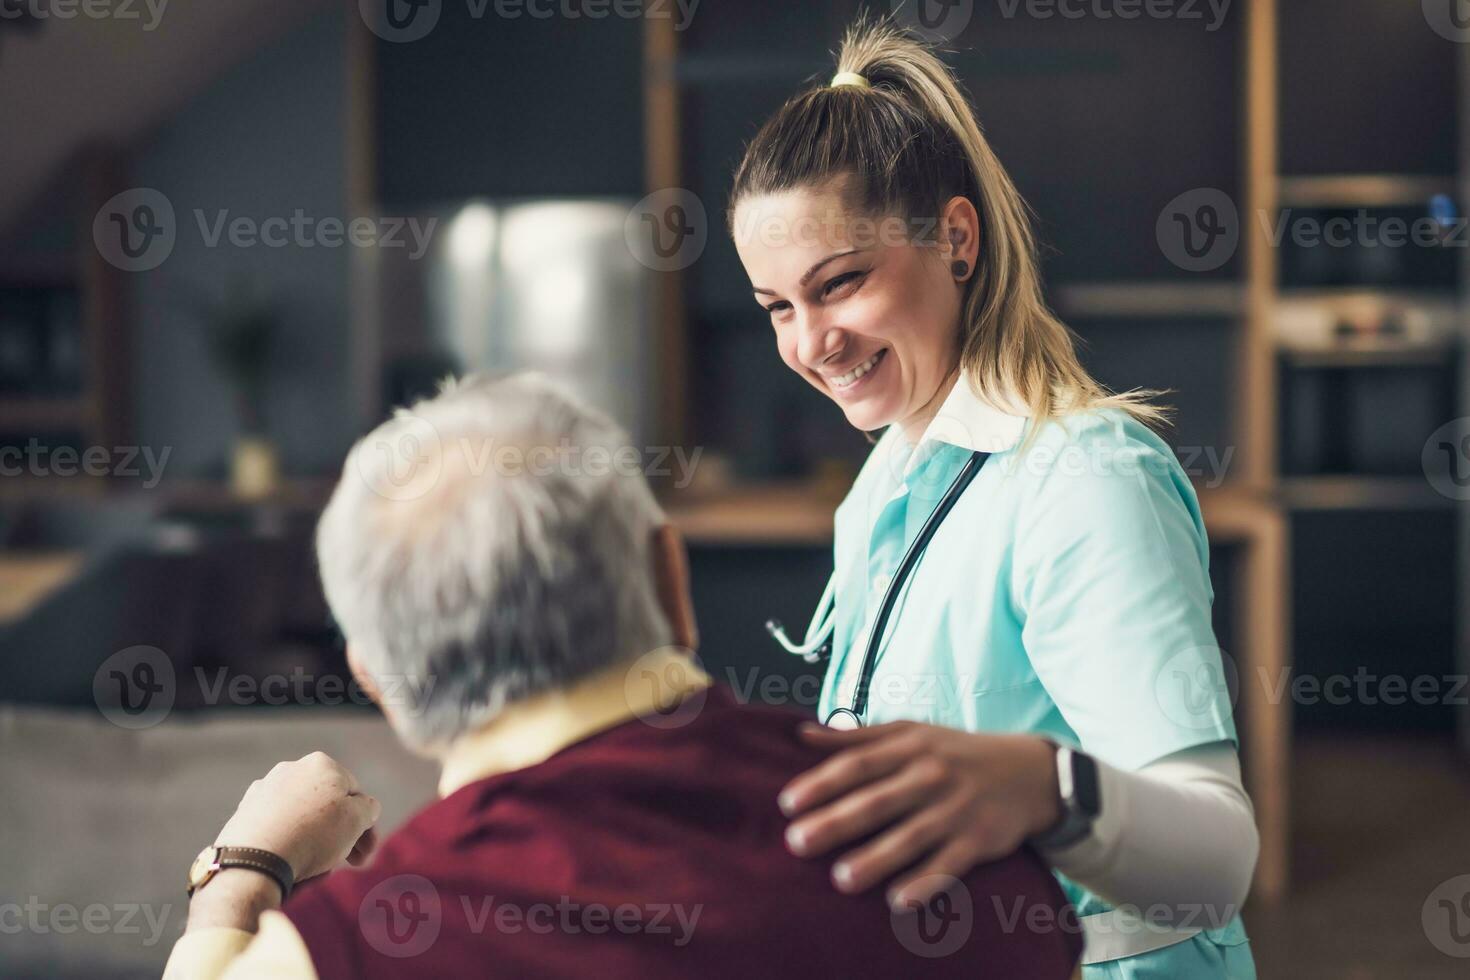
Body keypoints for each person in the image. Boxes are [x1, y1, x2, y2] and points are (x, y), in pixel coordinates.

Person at [161, 372, 1082, 979]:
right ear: (671, 579)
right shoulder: (952, 843)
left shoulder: (364, 944)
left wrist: (243, 871)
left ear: (379, 680)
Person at [727, 16, 1259, 979]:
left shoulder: (1088, 480)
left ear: (956, 239)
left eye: (840, 283)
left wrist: (1045, 791)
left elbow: (1217, 864)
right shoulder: (886, 480)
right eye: (776, 308)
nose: (811, 343)